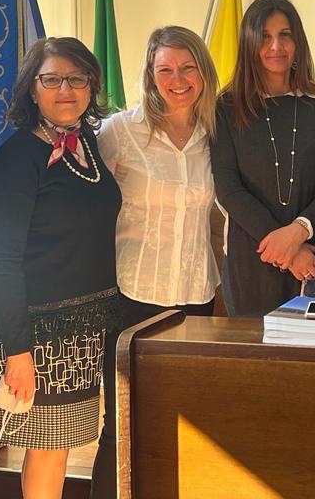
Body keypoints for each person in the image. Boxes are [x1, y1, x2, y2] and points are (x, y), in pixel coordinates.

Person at [0, 37, 120, 499]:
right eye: (52, 79)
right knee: (46, 449)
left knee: (60, 448)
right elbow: (3, 262)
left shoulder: (86, 144)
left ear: (91, 86)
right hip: (40, 335)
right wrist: (17, 350)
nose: (66, 89)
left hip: (84, 330)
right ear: (32, 88)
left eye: (77, 78)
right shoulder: (18, 157)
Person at [91, 26, 218, 496]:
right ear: (150, 74)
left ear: (203, 72)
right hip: (132, 296)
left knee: (187, 426)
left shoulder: (216, 136)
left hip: (196, 299)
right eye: (165, 69)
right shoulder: (119, 132)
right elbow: (84, 203)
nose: (177, 80)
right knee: (123, 426)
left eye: (187, 68)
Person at [210, 0, 315, 316]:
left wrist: (298, 232)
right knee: (256, 349)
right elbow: (228, 188)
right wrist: (287, 250)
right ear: (248, 43)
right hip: (254, 260)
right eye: (264, 36)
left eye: (284, 35)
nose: (275, 46)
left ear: (298, 41)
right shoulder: (225, 109)